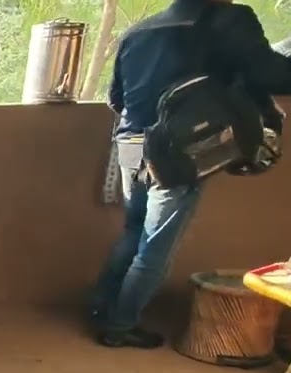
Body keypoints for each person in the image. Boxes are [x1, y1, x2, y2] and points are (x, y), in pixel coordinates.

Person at [90, 0, 291, 348]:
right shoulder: (229, 19)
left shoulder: (138, 32)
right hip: (176, 152)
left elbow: (117, 99)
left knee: (133, 233)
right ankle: (120, 326)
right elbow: (272, 75)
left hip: (129, 143)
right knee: (154, 250)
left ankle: (101, 310)